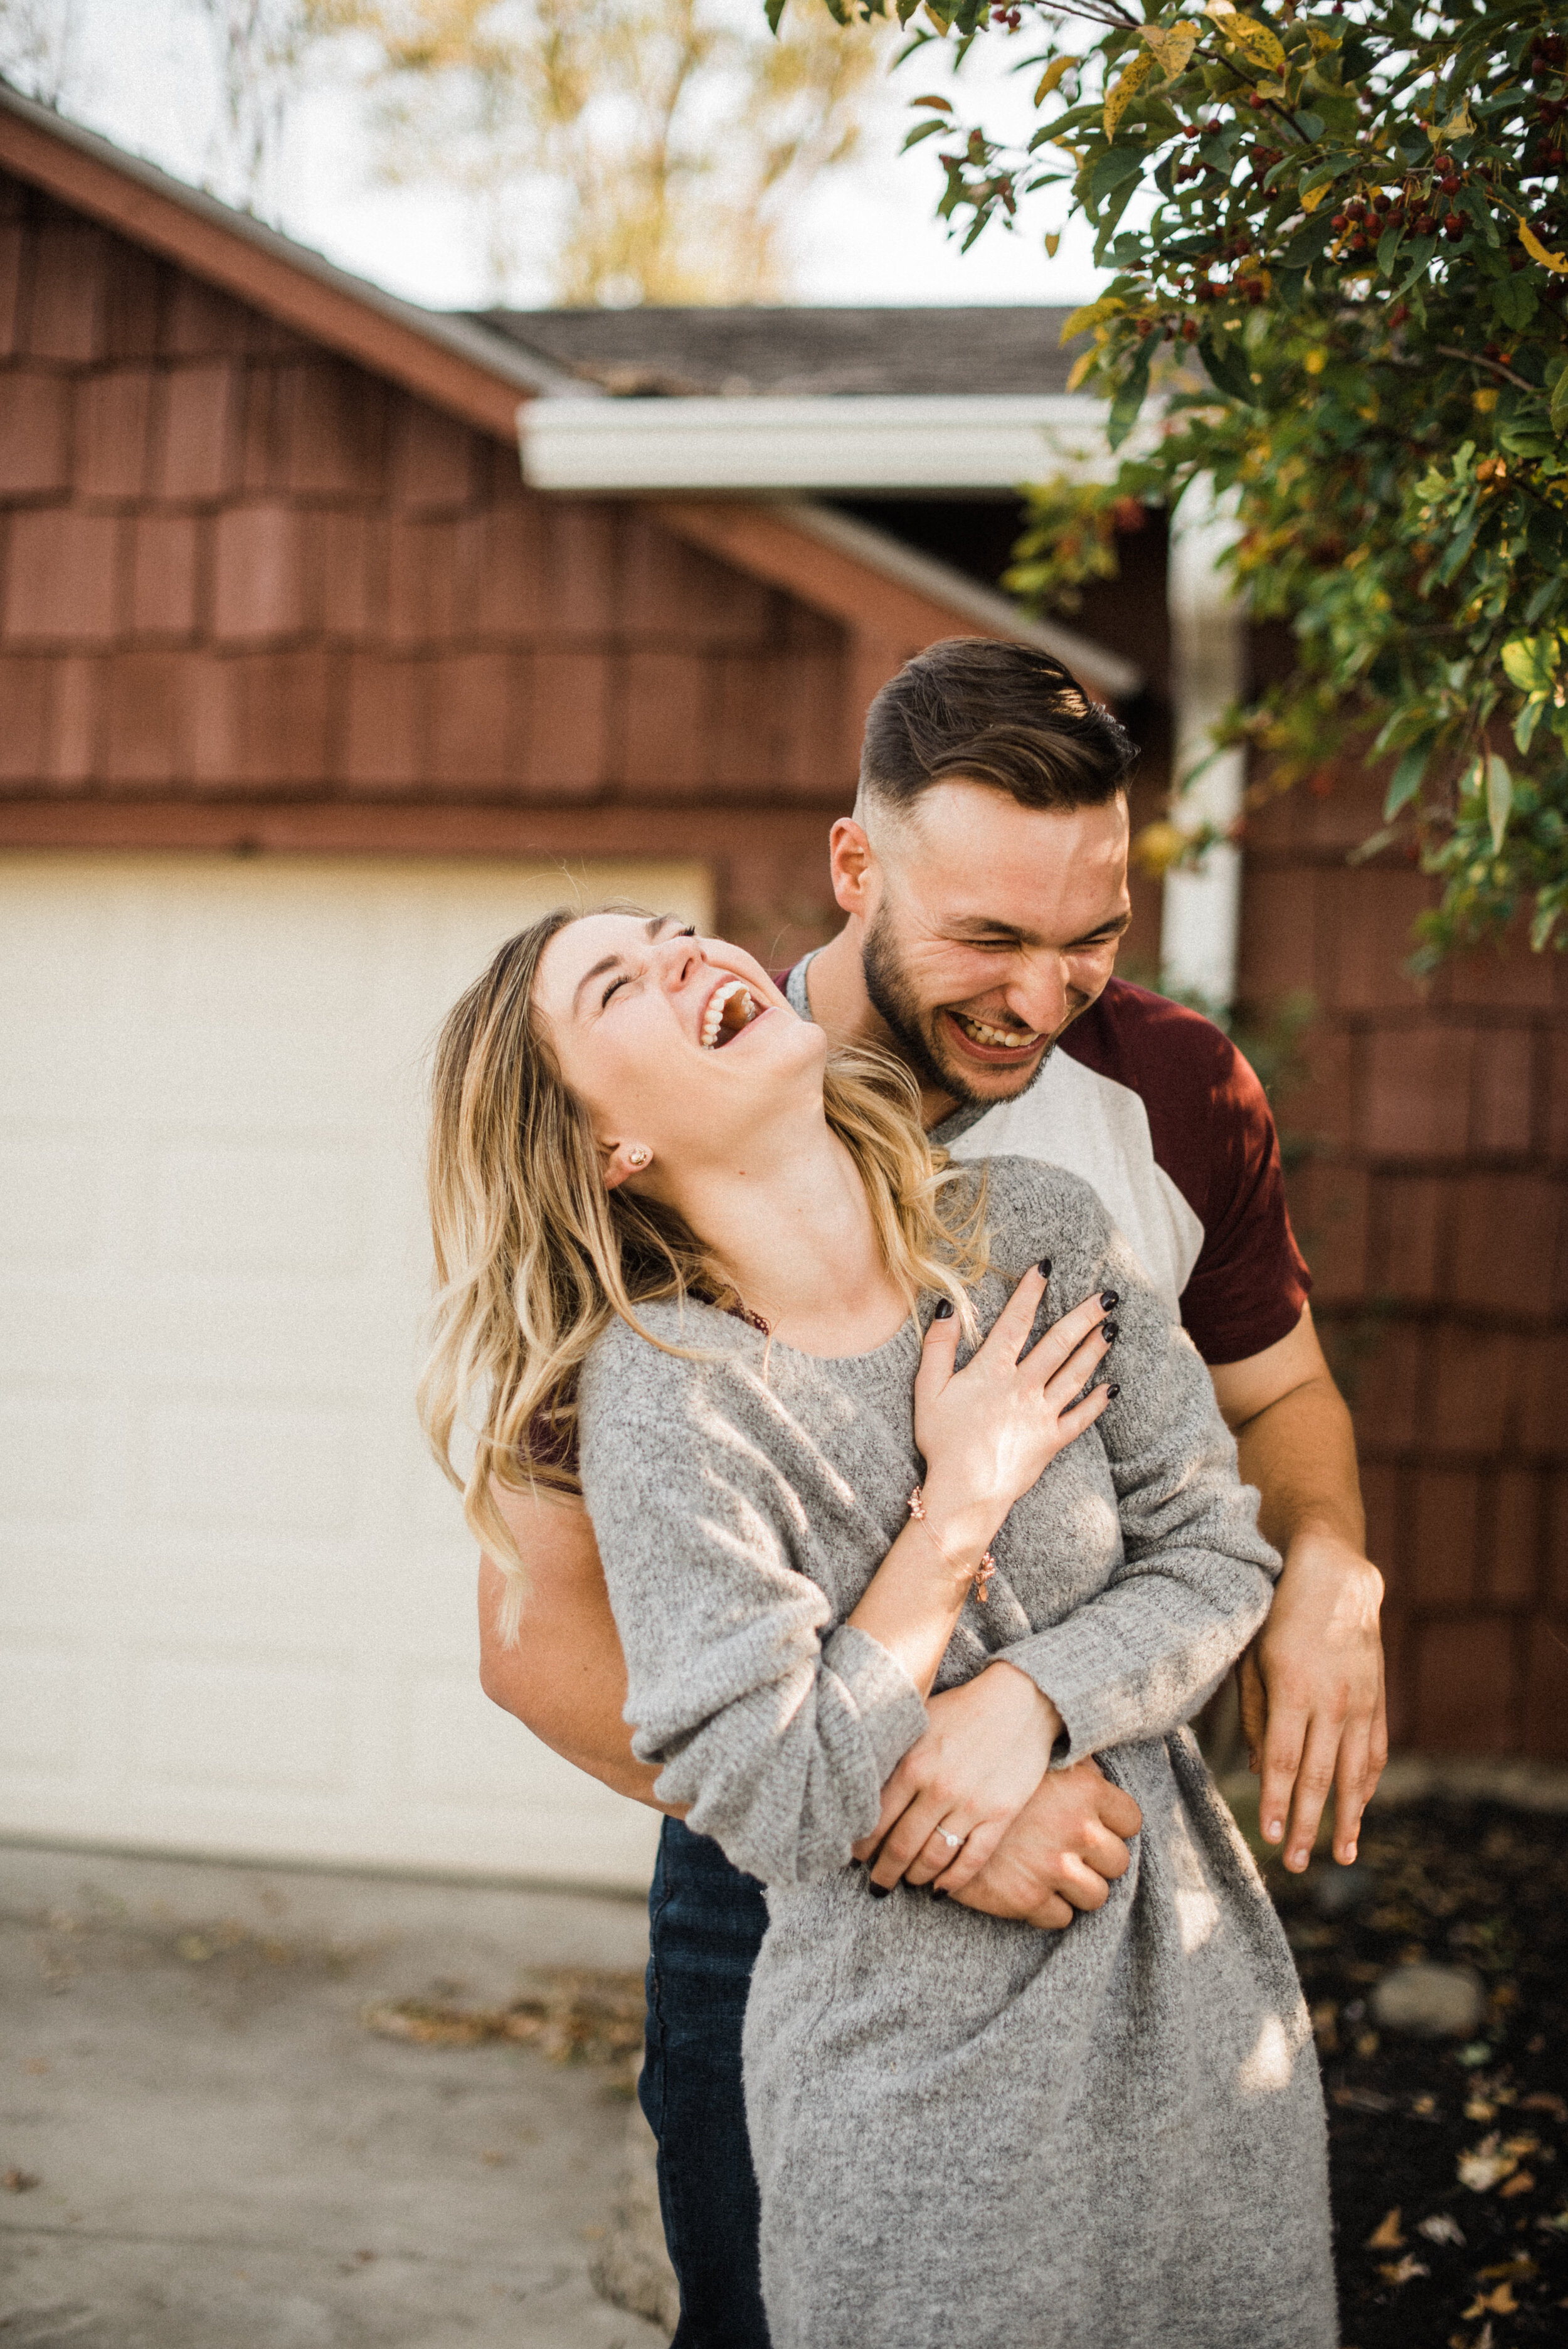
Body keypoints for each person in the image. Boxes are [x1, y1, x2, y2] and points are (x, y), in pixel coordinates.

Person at [479, 640, 1385, 2343]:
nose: (1040, 998)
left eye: (1088, 940)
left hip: (1128, 1874)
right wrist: (918, 1823)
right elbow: (541, 1643)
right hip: (789, 1913)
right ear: (854, 866)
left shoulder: (1154, 1113)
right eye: (985, 938)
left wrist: (1324, 1565)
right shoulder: (655, 1208)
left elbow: (1270, 1414)